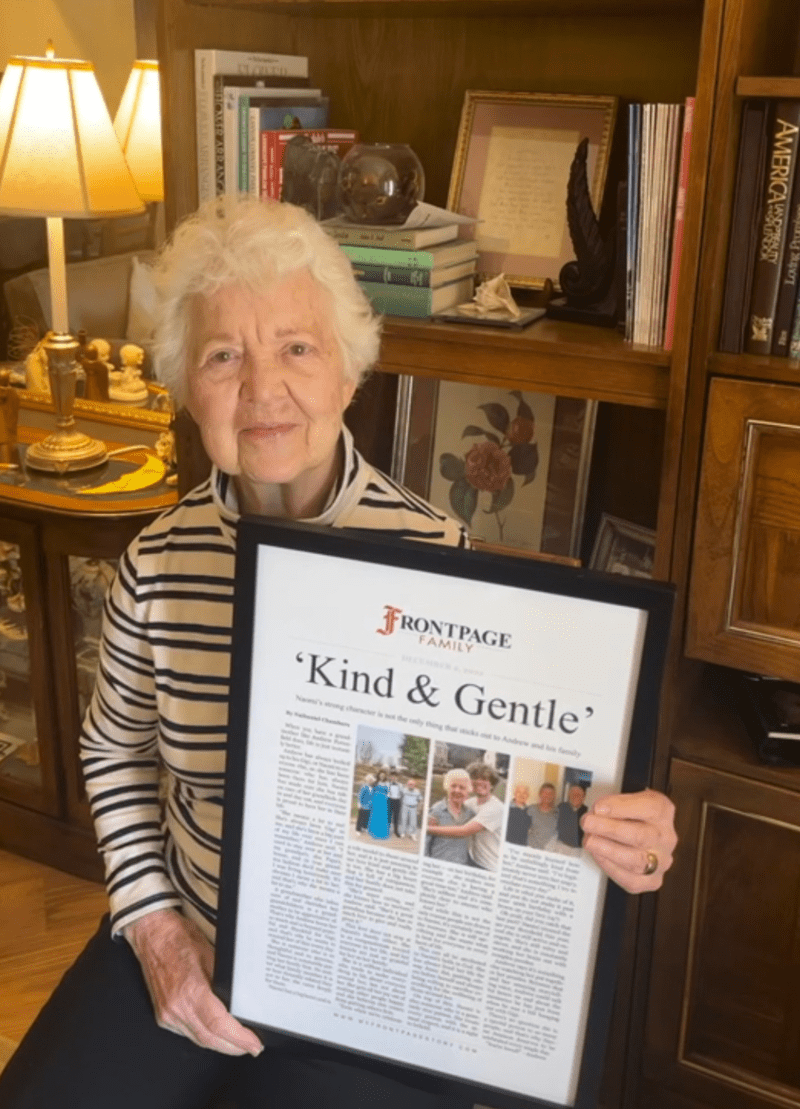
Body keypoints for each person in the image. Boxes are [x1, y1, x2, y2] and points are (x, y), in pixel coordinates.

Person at [0, 195, 677, 1109]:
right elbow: (114, 750)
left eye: (297, 347)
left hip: (374, 980)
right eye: (222, 355)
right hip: (193, 936)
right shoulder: (156, 565)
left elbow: (486, 784)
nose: (262, 387)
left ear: (350, 374)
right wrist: (155, 928)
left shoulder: (442, 564)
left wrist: (613, 829)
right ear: (187, 388)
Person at [425, 761, 504, 870]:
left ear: (492, 784)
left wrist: (428, 828)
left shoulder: (496, 807)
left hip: (490, 865)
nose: (479, 781)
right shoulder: (470, 803)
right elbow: (452, 802)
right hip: (472, 861)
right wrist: (436, 810)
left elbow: (464, 831)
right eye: (476, 778)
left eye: (485, 779)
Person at [425, 768, 474, 865]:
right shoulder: (436, 810)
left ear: (467, 791)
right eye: (453, 786)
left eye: (462, 787)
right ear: (447, 787)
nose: (457, 790)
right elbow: (425, 843)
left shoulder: (470, 813)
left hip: (461, 864)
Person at [555, 782, 590, 853]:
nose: (575, 796)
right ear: (569, 795)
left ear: (583, 797)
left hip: (578, 850)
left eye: (578, 794)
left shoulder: (588, 812)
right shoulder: (561, 807)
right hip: (561, 846)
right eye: (573, 793)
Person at [528, 781, 559, 851]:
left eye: (551, 793)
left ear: (554, 796)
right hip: (530, 848)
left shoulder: (558, 812)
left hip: (548, 851)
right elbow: (522, 828)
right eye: (545, 793)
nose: (547, 795)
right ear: (540, 794)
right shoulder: (531, 809)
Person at [367, 769, 391, 840]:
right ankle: (373, 832)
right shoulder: (375, 782)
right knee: (375, 816)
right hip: (376, 800)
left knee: (382, 816)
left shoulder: (387, 783)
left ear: (385, 776)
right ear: (379, 776)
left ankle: (381, 833)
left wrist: (387, 799)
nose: (382, 776)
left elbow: (389, 792)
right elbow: (371, 790)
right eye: (381, 775)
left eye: (383, 775)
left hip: (383, 801)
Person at [388, 770, 403, 836]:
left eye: (395, 777)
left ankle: (396, 831)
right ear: (391, 777)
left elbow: (402, 793)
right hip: (390, 800)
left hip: (397, 801)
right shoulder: (388, 784)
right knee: (388, 816)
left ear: (397, 778)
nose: (394, 778)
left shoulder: (400, 785)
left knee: (396, 817)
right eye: (392, 777)